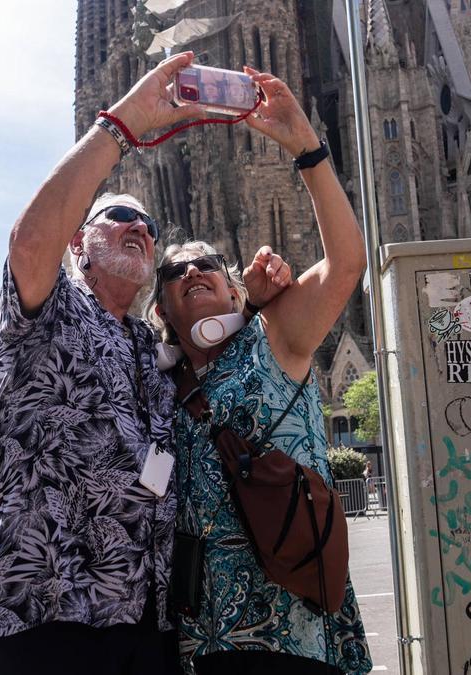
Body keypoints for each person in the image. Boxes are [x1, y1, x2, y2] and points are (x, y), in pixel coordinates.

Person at [0, 51, 291, 675]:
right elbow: (28, 240)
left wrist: (259, 300)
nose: (138, 229)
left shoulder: (151, 348)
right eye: (117, 217)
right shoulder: (45, 309)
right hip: (43, 610)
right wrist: (124, 124)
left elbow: (219, 350)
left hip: (147, 622)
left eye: (145, 224)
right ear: (78, 244)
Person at [147, 65, 370, 674]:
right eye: (173, 272)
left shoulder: (274, 340)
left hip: (287, 636)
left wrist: (307, 149)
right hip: (201, 645)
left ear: (233, 283)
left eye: (206, 264)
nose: (190, 271)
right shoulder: (159, 389)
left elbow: (347, 262)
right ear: (162, 307)